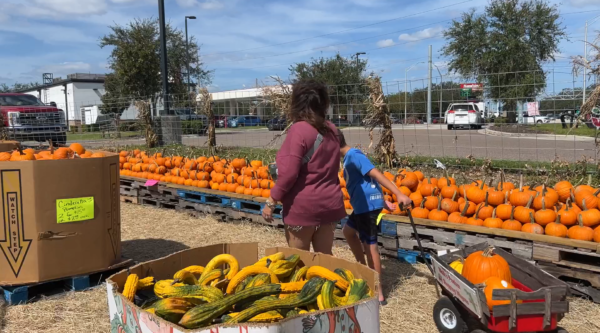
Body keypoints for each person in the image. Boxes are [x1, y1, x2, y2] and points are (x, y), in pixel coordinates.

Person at [261, 80, 346, 255]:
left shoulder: (299, 130)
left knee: (300, 261)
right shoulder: (333, 130)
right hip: (330, 205)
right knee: (325, 260)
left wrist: (271, 201)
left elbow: (289, 173)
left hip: (303, 208)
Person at [337, 129, 411, 305]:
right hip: (365, 205)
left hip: (367, 208)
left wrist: (398, 194)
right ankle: (363, 269)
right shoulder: (349, 158)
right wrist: (382, 200)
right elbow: (368, 182)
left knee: (370, 247)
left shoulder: (353, 155)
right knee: (348, 231)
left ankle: (378, 292)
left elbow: (375, 174)